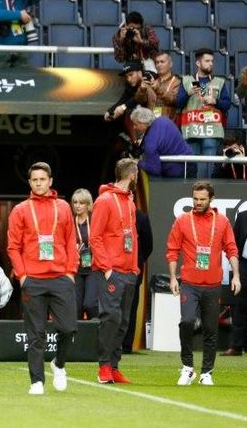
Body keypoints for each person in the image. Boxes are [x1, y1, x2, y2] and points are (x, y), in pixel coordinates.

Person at [7, 162, 78, 395]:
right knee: (35, 333)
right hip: (33, 280)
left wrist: (70, 272)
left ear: (50, 181)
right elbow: (13, 247)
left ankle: (59, 363)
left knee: (68, 328)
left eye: (42, 179)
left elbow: (70, 241)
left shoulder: (64, 207)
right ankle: (36, 380)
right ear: (30, 183)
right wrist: (23, 276)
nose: (38, 183)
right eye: (34, 180)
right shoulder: (20, 210)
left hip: (60, 277)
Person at [167, 181, 241, 385]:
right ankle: (187, 367)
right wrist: (173, 278)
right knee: (187, 321)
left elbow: (232, 249)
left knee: (210, 329)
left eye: (202, 199)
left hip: (213, 284)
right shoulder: (183, 220)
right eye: (195, 199)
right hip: (189, 283)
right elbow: (172, 250)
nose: (198, 203)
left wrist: (236, 275)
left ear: (211, 199)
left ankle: (206, 372)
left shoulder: (223, 221)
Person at [89, 158, 139, 384]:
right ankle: (104, 367)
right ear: (132, 175)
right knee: (111, 318)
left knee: (123, 321)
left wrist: (135, 267)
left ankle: (115, 366)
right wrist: (107, 268)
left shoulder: (130, 201)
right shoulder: (104, 200)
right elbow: (95, 237)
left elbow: (132, 237)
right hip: (111, 271)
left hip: (129, 271)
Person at [175, 48, 231, 179]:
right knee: (192, 166)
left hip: (212, 131)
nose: (210, 63)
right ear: (198, 63)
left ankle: (208, 192)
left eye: (212, 61)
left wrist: (215, 101)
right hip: (192, 130)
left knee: (209, 166)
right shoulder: (187, 81)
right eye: (207, 61)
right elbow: (178, 104)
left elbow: (227, 105)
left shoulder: (219, 82)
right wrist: (189, 93)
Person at [129, 106, 194, 178]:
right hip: (190, 162)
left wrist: (138, 162)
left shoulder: (150, 143)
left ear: (143, 123)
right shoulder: (164, 119)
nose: (134, 127)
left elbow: (155, 169)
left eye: (135, 124)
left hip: (176, 173)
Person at [123, 208, 153, 353]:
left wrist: (139, 259)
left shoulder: (141, 217)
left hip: (134, 267)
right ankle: (111, 343)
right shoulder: (114, 212)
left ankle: (127, 345)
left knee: (131, 305)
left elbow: (148, 245)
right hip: (114, 267)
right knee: (113, 306)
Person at [104, 62, 157, 142]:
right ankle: (136, 143)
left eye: (131, 75)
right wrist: (110, 111)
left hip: (158, 114)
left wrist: (123, 107)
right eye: (126, 76)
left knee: (130, 112)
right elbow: (123, 100)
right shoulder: (130, 86)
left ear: (139, 72)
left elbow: (138, 98)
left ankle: (137, 142)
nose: (129, 79)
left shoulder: (148, 78)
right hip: (148, 118)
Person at [222, 209, 247, 356]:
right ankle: (236, 346)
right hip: (244, 266)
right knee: (239, 307)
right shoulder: (243, 216)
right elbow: (234, 244)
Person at [70, 188, 97, 320]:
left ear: (88, 204)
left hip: (93, 268)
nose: (77, 206)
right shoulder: (70, 221)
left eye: (81, 203)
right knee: (76, 307)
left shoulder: (95, 220)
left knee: (90, 304)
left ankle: (95, 334)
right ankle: (78, 338)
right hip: (76, 269)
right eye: (75, 202)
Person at [149, 51, 181, 124]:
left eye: (162, 62)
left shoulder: (177, 82)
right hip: (150, 122)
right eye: (157, 62)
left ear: (170, 64)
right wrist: (141, 89)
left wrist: (158, 89)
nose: (159, 65)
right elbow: (140, 100)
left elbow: (174, 100)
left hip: (168, 123)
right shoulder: (152, 80)